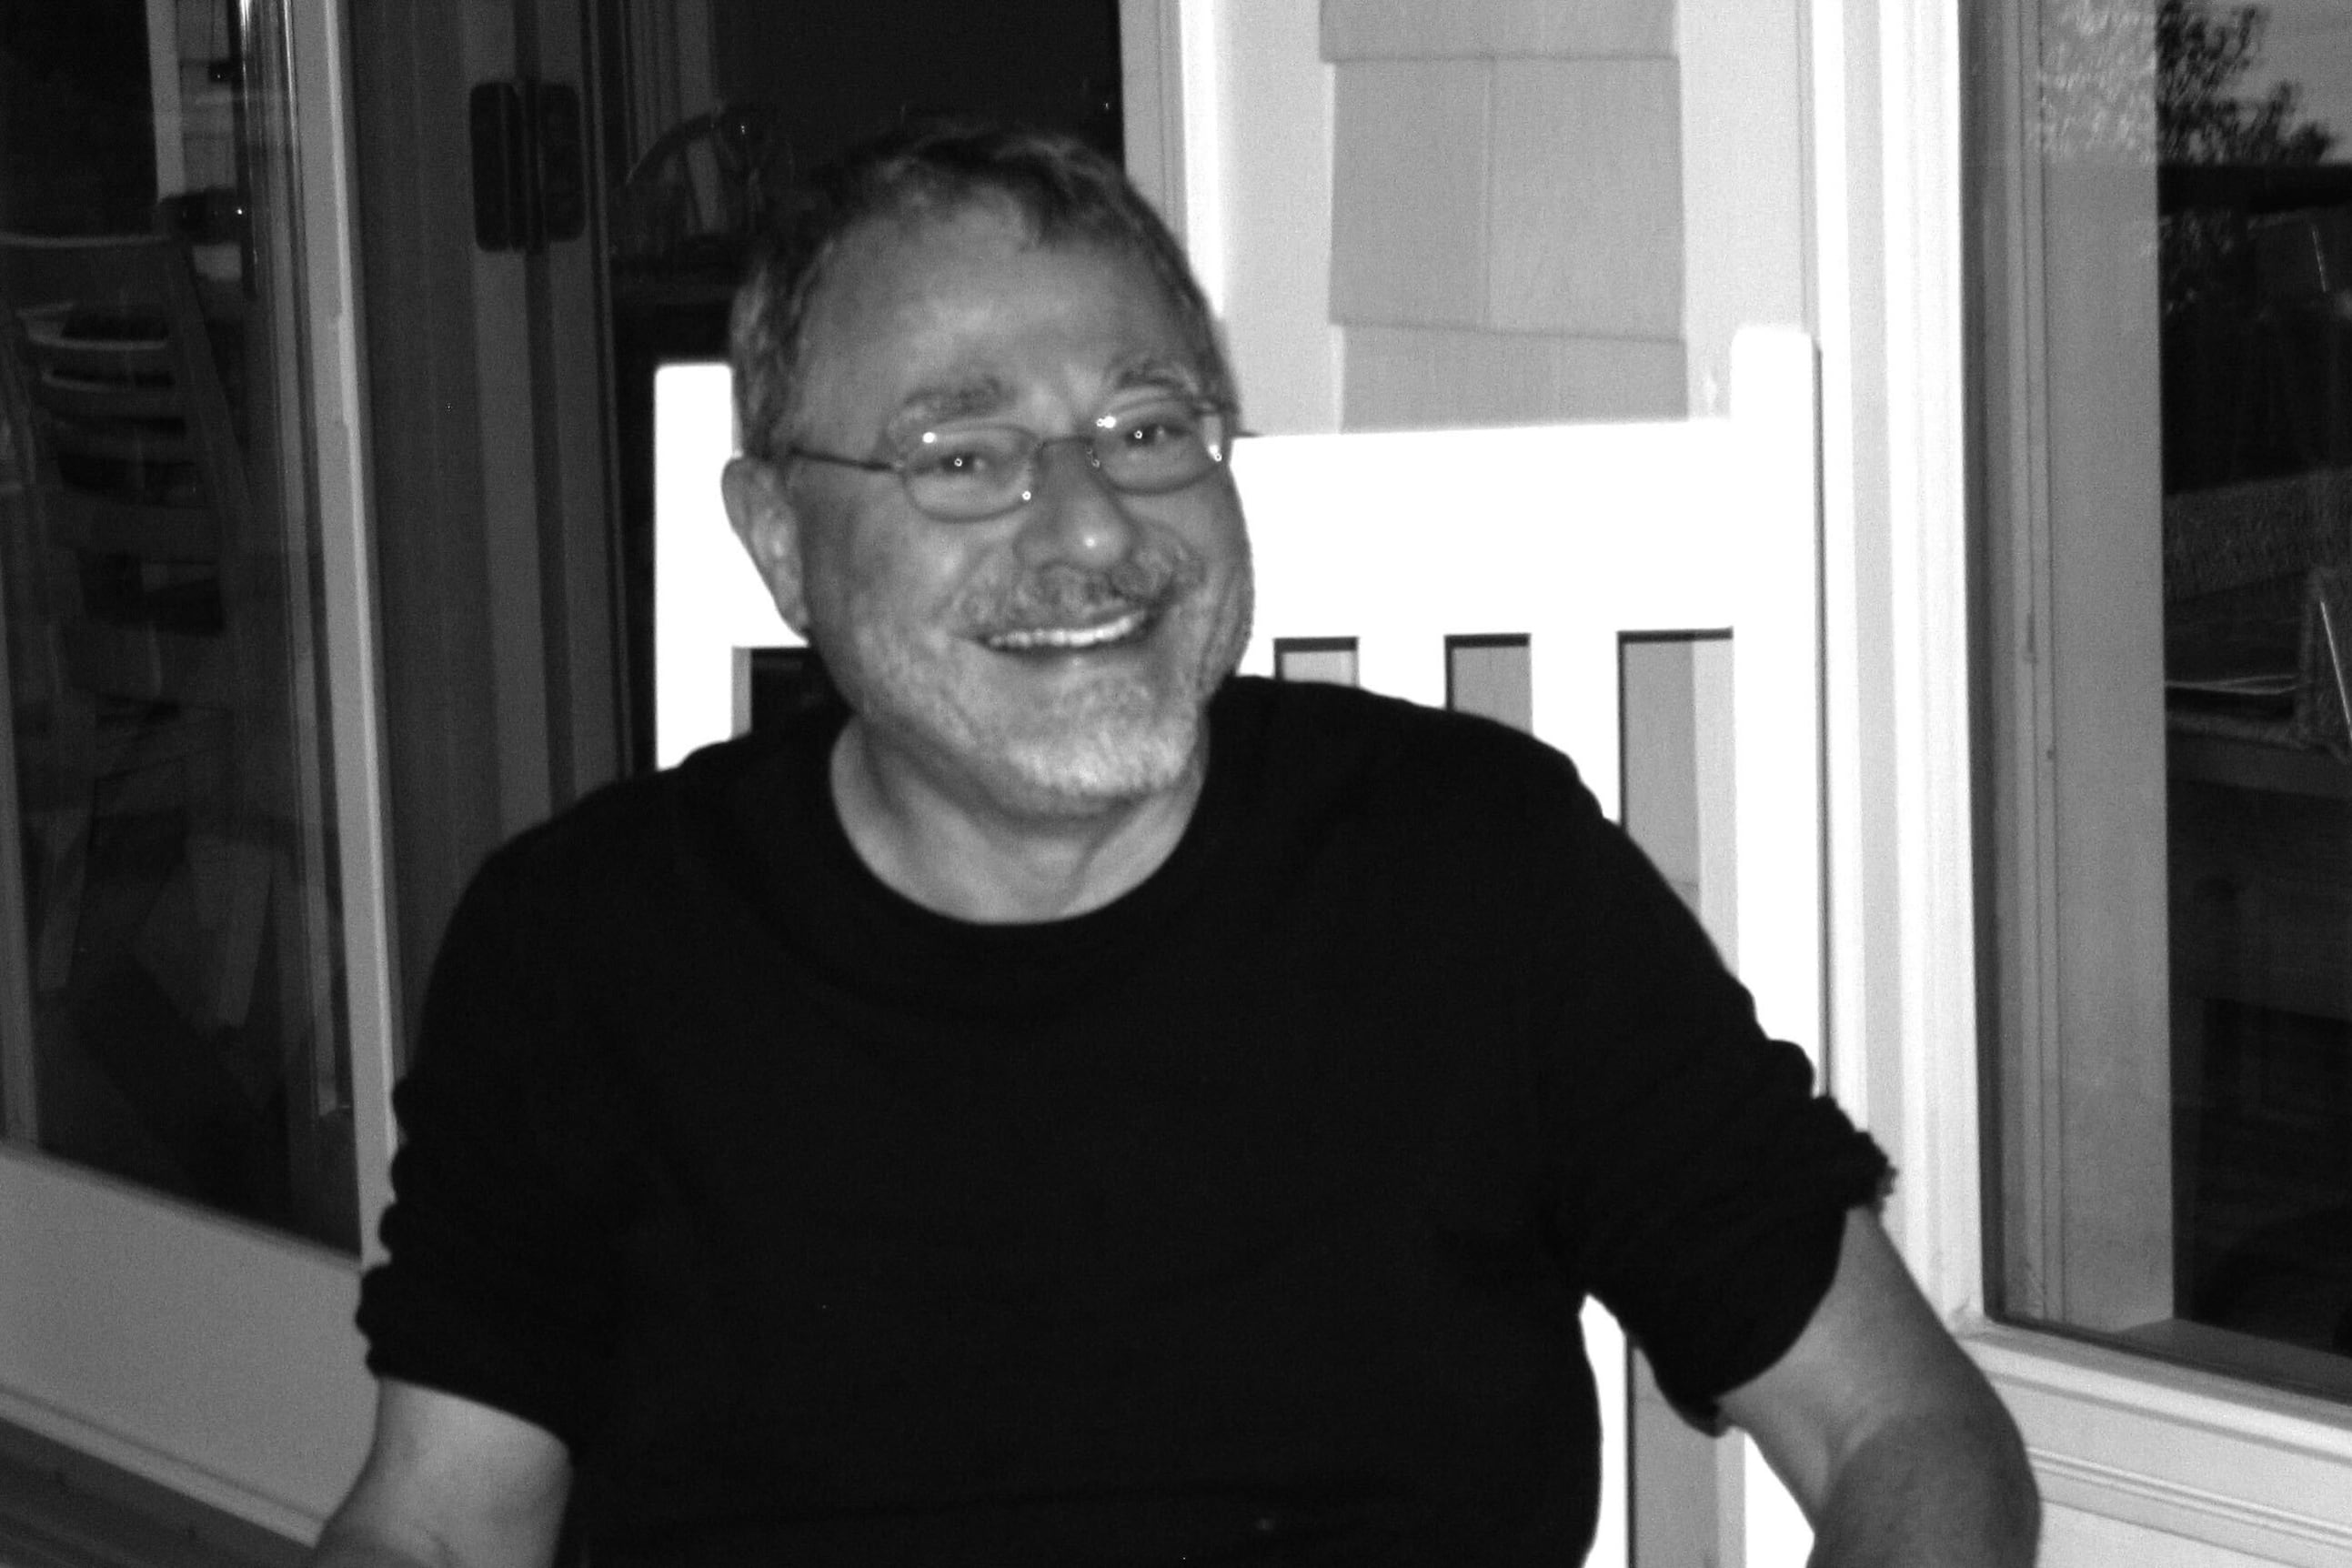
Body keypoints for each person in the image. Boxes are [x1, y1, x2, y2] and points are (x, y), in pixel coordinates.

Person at [315, 121, 2039, 1568]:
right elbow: (440, 1523)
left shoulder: (1477, 878)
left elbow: (1895, 1427)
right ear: (777, 539)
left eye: (1147, 431)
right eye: (960, 453)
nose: (1086, 528)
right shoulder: (587, 947)